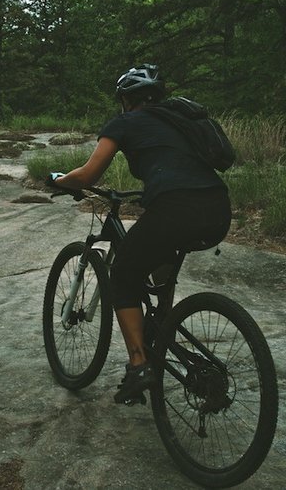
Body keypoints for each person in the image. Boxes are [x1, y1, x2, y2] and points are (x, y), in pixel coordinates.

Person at [48, 64, 232, 404]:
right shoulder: (179, 121)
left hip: (177, 208)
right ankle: (161, 321)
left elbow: (87, 175)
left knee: (121, 275)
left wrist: (58, 180)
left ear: (125, 100)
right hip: (218, 209)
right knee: (160, 248)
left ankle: (139, 365)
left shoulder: (125, 122)